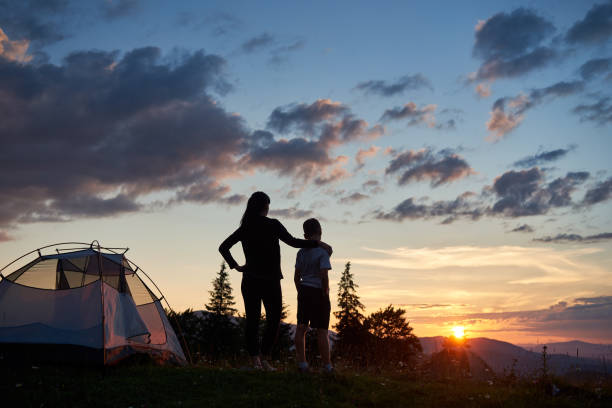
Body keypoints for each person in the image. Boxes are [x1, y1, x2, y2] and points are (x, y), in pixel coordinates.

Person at [218, 192, 332, 370]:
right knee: (273, 321)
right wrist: (317, 244)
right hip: (270, 281)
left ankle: (256, 361)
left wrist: (236, 266)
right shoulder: (273, 224)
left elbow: (223, 247)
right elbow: (293, 242)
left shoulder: (246, 226)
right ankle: (263, 358)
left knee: (253, 320)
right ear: (265, 207)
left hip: (250, 280)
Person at [294, 218, 333, 373]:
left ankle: (302, 364)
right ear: (320, 232)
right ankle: (327, 366)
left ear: (305, 235)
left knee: (301, 328)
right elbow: (324, 275)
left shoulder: (300, 253)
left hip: (304, 290)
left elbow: (296, 277)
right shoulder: (323, 252)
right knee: (322, 330)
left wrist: (301, 292)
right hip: (319, 292)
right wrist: (325, 291)